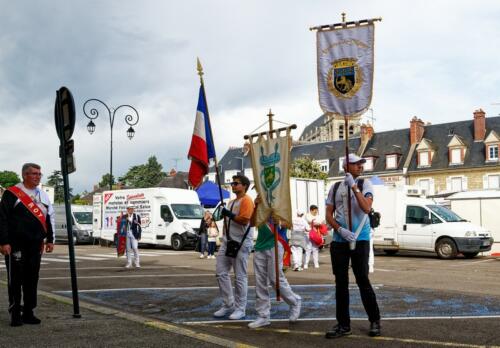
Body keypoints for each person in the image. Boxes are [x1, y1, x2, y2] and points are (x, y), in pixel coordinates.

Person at [325, 154, 381, 339]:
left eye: (361, 164)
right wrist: (339, 230)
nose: (360, 166)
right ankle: (343, 324)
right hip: (340, 240)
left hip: (360, 238)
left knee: (362, 280)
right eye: (356, 164)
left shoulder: (366, 184)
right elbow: (328, 215)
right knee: (340, 284)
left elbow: (366, 208)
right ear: (345, 166)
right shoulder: (334, 188)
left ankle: (374, 320)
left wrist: (354, 187)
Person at [0, 163, 55, 326]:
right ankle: (15, 313)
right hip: (16, 244)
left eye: (39, 174)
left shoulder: (43, 196)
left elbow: (47, 218)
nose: (38, 176)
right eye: (34, 174)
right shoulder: (12, 193)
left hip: (35, 245)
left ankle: (29, 312)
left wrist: (50, 239)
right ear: (24, 175)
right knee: (15, 280)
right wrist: (3, 242)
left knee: (32, 279)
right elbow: (2, 218)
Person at [247, 195, 301, 329]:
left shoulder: (280, 201)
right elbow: (252, 223)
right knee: (260, 282)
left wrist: (280, 222)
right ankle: (263, 316)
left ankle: (294, 301)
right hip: (260, 245)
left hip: (276, 243)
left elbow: (289, 224)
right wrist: (255, 206)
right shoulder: (260, 202)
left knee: (275, 279)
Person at [213, 174, 254, 320]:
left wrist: (228, 214)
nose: (233, 185)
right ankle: (228, 303)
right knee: (220, 272)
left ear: (244, 186)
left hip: (241, 243)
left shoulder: (247, 200)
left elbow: (244, 220)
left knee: (240, 276)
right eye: (232, 183)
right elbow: (226, 222)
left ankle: (240, 308)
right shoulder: (230, 202)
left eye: (236, 183)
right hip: (228, 241)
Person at [124, 203, 142, 268]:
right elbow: (122, 225)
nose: (131, 210)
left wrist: (139, 235)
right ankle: (129, 263)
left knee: (135, 248)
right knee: (128, 249)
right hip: (127, 233)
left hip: (134, 234)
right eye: (129, 209)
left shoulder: (137, 216)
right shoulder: (125, 216)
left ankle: (137, 263)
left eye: (132, 209)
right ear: (127, 209)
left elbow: (139, 226)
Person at [304, 205, 322, 269]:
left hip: (316, 234)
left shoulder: (318, 216)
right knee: (308, 249)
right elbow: (309, 221)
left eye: (317, 210)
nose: (316, 211)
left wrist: (315, 222)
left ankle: (316, 263)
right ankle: (306, 264)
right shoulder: (307, 215)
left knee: (315, 249)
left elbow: (321, 222)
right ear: (311, 210)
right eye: (315, 210)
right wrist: (315, 222)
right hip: (308, 234)